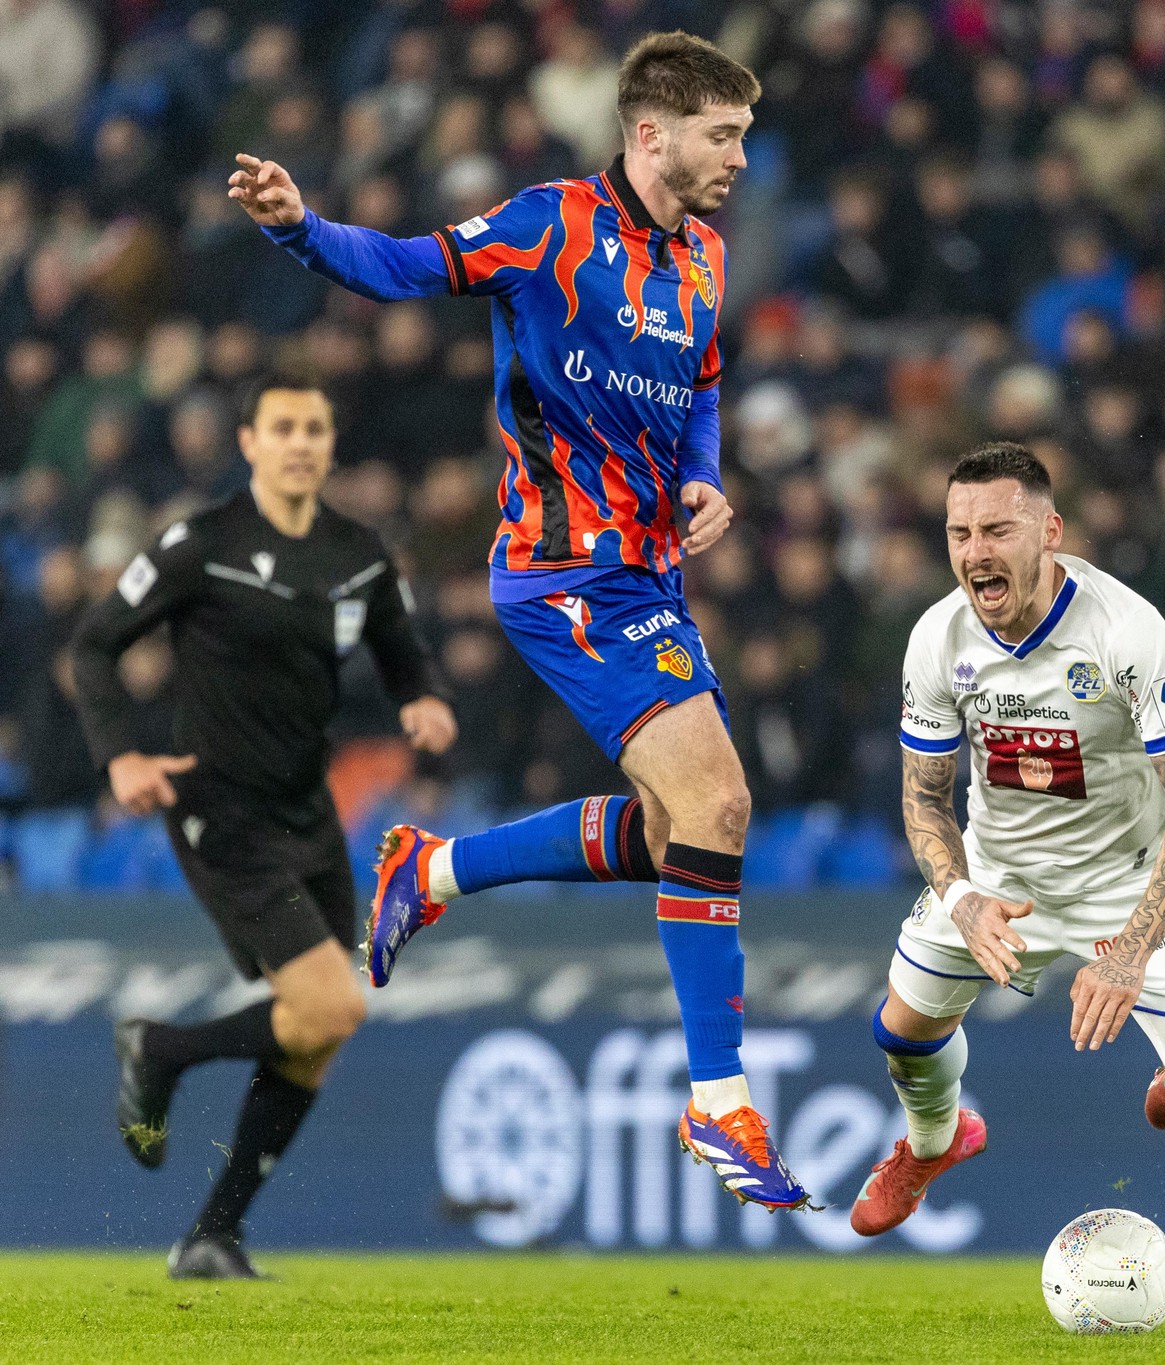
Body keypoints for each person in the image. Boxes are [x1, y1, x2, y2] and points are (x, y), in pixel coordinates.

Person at [228, 30, 812, 1209]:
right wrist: (299, 225)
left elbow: (697, 389)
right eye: (723, 135)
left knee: (671, 834)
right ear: (651, 134)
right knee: (720, 803)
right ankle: (721, 1107)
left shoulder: (701, 257)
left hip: (647, 575)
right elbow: (403, 266)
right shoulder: (549, 223)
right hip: (561, 571)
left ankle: (429, 869)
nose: (740, 159)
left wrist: (706, 477)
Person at [72, 373, 456, 1278]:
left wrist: (424, 699)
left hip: (308, 815)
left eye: (315, 428)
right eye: (281, 426)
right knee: (332, 1003)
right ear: (247, 441)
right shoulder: (198, 545)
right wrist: (118, 758)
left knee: (319, 1030)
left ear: (330, 444)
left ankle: (213, 1233)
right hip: (220, 807)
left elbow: (402, 651)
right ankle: (159, 1048)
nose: (300, 442)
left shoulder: (357, 554)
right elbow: (93, 643)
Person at [850, 443, 1165, 1235]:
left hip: (1131, 882)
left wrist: (1131, 950)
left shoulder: (1125, 630)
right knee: (902, 1032)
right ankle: (934, 1142)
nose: (975, 553)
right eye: (959, 533)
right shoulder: (938, 637)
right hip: (1000, 878)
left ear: (1050, 532)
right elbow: (926, 800)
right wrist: (964, 897)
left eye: (997, 530)